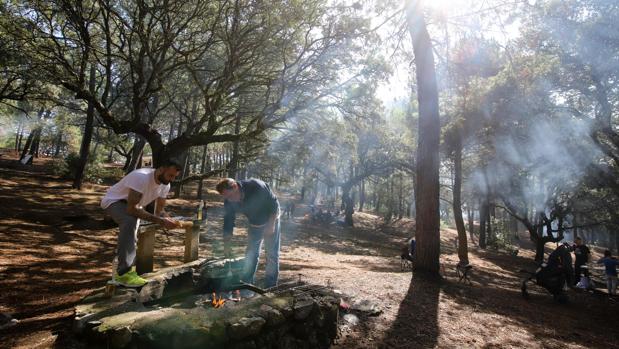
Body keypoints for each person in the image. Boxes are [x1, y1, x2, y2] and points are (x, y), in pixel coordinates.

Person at [101, 160, 182, 287]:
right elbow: (131, 209)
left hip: (135, 206)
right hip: (115, 201)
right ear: (161, 169)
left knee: (135, 223)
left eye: (174, 177)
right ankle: (124, 274)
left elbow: (159, 210)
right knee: (130, 221)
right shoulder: (141, 177)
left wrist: (168, 219)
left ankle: (128, 268)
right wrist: (161, 221)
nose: (171, 179)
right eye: (170, 175)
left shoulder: (165, 186)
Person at [216, 178, 280, 289]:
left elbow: (273, 204)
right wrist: (226, 244)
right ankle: (247, 285)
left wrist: (271, 225)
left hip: (271, 218)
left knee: (272, 255)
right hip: (255, 224)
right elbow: (228, 222)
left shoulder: (256, 186)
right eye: (226, 197)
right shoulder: (229, 200)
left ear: (235, 186)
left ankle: (271, 287)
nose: (229, 200)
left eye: (230, 196)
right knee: (251, 255)